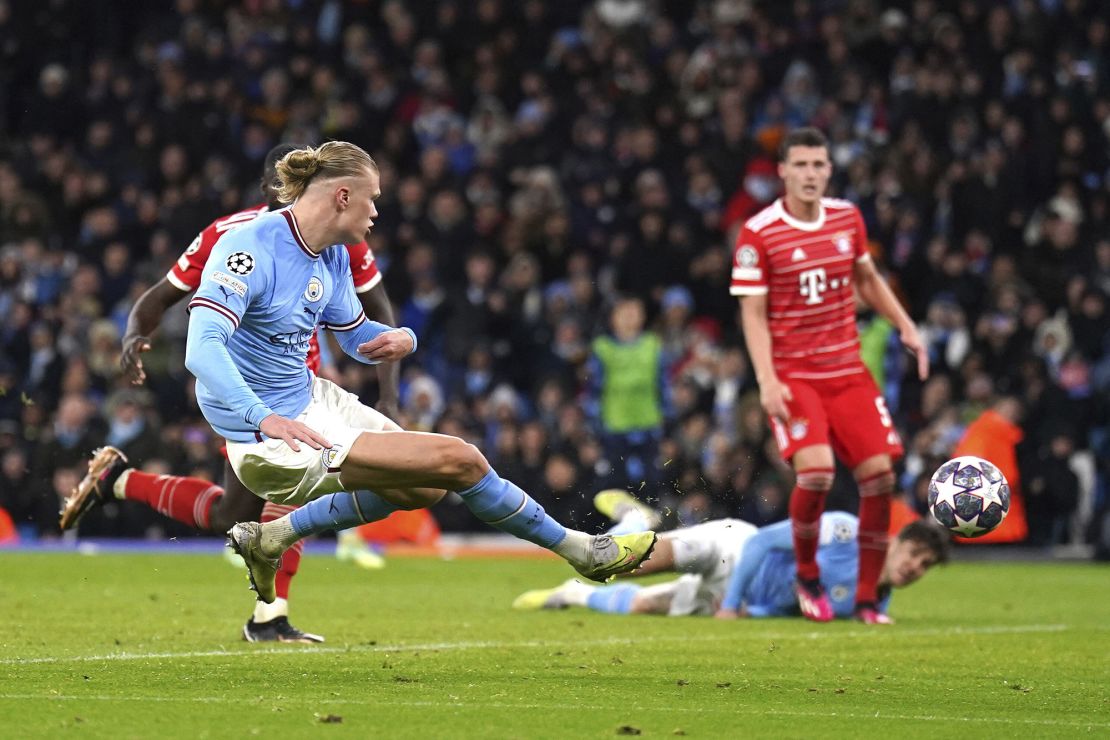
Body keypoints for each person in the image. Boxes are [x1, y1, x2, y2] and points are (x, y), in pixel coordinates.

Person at [182, 141, 655, 605]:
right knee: (461, 460)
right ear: (343, 196)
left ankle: (273, 536)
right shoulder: (247, 247)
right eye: (373, 199)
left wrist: (401, 337)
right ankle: (583, 551)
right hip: (266, 438)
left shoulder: (330, 254)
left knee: (425, 487)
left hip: (311, 402)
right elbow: (201, 350)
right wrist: (263, 417)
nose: (375, 213)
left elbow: (355, 338)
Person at [58, 143, 400, 643]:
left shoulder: (343, 238)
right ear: (269, 188)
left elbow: (379, 311)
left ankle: (119, 480)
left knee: (233, 513)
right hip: (244, 392)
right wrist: (135, 331)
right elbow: (164, 293)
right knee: (283, 489)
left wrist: (388, 395)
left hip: (303, 389)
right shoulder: (231, 236)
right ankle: (270, 617)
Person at [729, 128, 929, 624]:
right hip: (795, 375)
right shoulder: (759, 233)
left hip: (847, 371)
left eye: (819, 165)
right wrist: (767, 380)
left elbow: (866, 278)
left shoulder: (847, 218)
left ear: (829, 170)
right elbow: (752, 314)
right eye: (800, 165)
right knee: (816, 472)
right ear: (782, 171)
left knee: (880, 478)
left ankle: (866, 598)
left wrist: (906, 325)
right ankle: (807, 575)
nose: (810, 174)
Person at [513, 491, 948, 620]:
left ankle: (570, 594)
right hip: (732, 548)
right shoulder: (844, 532)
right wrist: (738, 600)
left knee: (645, 605)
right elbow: (762, 544)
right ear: (893, 540)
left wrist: (748, 611)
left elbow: (791, 611)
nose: (915, 567)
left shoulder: (872, 605)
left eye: (925, 567)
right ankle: (632, 520)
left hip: (735, 597)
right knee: (623, 560)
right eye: (914, 553)